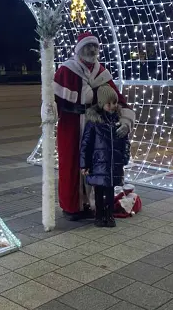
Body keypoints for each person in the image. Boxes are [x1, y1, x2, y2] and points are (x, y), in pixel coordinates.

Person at [53, 32, 134, 220]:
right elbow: (53, 100)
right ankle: (72, 207)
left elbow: (118, 100)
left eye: (95, 47)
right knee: (72, 165)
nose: (92, 50)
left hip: (96, 127)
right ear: (79, 49)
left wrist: (125, 121)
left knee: (94, 165)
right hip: (71, 126)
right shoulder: (67, 70)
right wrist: (48, 112)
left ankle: (91, 204)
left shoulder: (101, 73)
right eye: (88, 47)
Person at [79, 85, 131, 228]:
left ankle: (109, 215)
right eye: (109, 103)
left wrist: (125, 157)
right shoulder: (94, 122)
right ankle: (99, 215)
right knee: (98, 191)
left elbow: (125, 142)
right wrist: (84, 164)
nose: (113, 106)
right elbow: (86, 144)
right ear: (102, 104)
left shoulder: (118, 121)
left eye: (114, 103)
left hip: (113, 164)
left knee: (110, 191)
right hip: (98, 164)